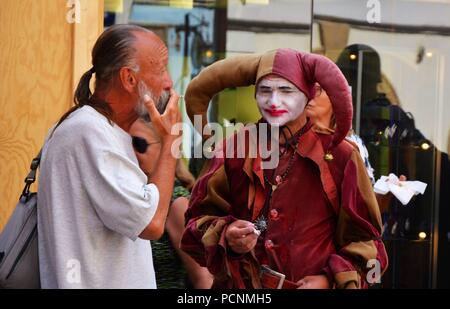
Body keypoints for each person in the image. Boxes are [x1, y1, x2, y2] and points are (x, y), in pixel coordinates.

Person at [180, 48, 388, 289]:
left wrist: (329, 280)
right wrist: (226, 235)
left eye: (286, 90)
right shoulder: (233, 150)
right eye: (265, 90)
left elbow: (369, 245)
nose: (274, 101)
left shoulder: (341, 157)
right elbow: (194, 229)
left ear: (307, 95)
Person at [37, 25, 181, 288]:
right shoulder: (89, 132)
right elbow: (151, 224)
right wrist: (171, 140)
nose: (169, 82)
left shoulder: (101, 130)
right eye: (161, 69)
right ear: (129, 79)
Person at [129, 119, 213, 288]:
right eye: (125, 144)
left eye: (138, 144)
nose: (130, 152)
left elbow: (203, 278)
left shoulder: (177, 202)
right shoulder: (134, 194)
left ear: (165, 148)